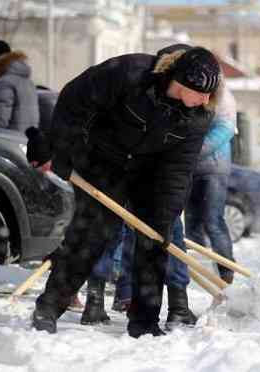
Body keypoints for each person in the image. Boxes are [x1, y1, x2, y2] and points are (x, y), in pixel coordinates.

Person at [25, 44, 222, 338]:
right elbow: (74, 101)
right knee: (90, 235)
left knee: (154, 241)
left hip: (149, 172)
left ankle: (144, 323)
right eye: (201, 93)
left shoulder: (199, 115)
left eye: (210, 93)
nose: (207, 100)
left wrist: (166, 216)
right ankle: (49, 308)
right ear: (180, 82)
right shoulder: (129, 74)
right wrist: (60, 149)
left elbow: (178, 169)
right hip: (103, 160)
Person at [184, 84, 237, 285]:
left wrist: (194, 149)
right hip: (191, 167)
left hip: (214, 168)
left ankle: (226, 270)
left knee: (213, 220)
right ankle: (197, 268)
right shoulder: (190, 90)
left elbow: (225, 128)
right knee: (192, 221)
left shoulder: (222, 95)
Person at [0, 39, 39, 132]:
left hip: (9, 140)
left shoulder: (5, 82)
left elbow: (0, 118)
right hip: (26, 139)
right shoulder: (27, 81)